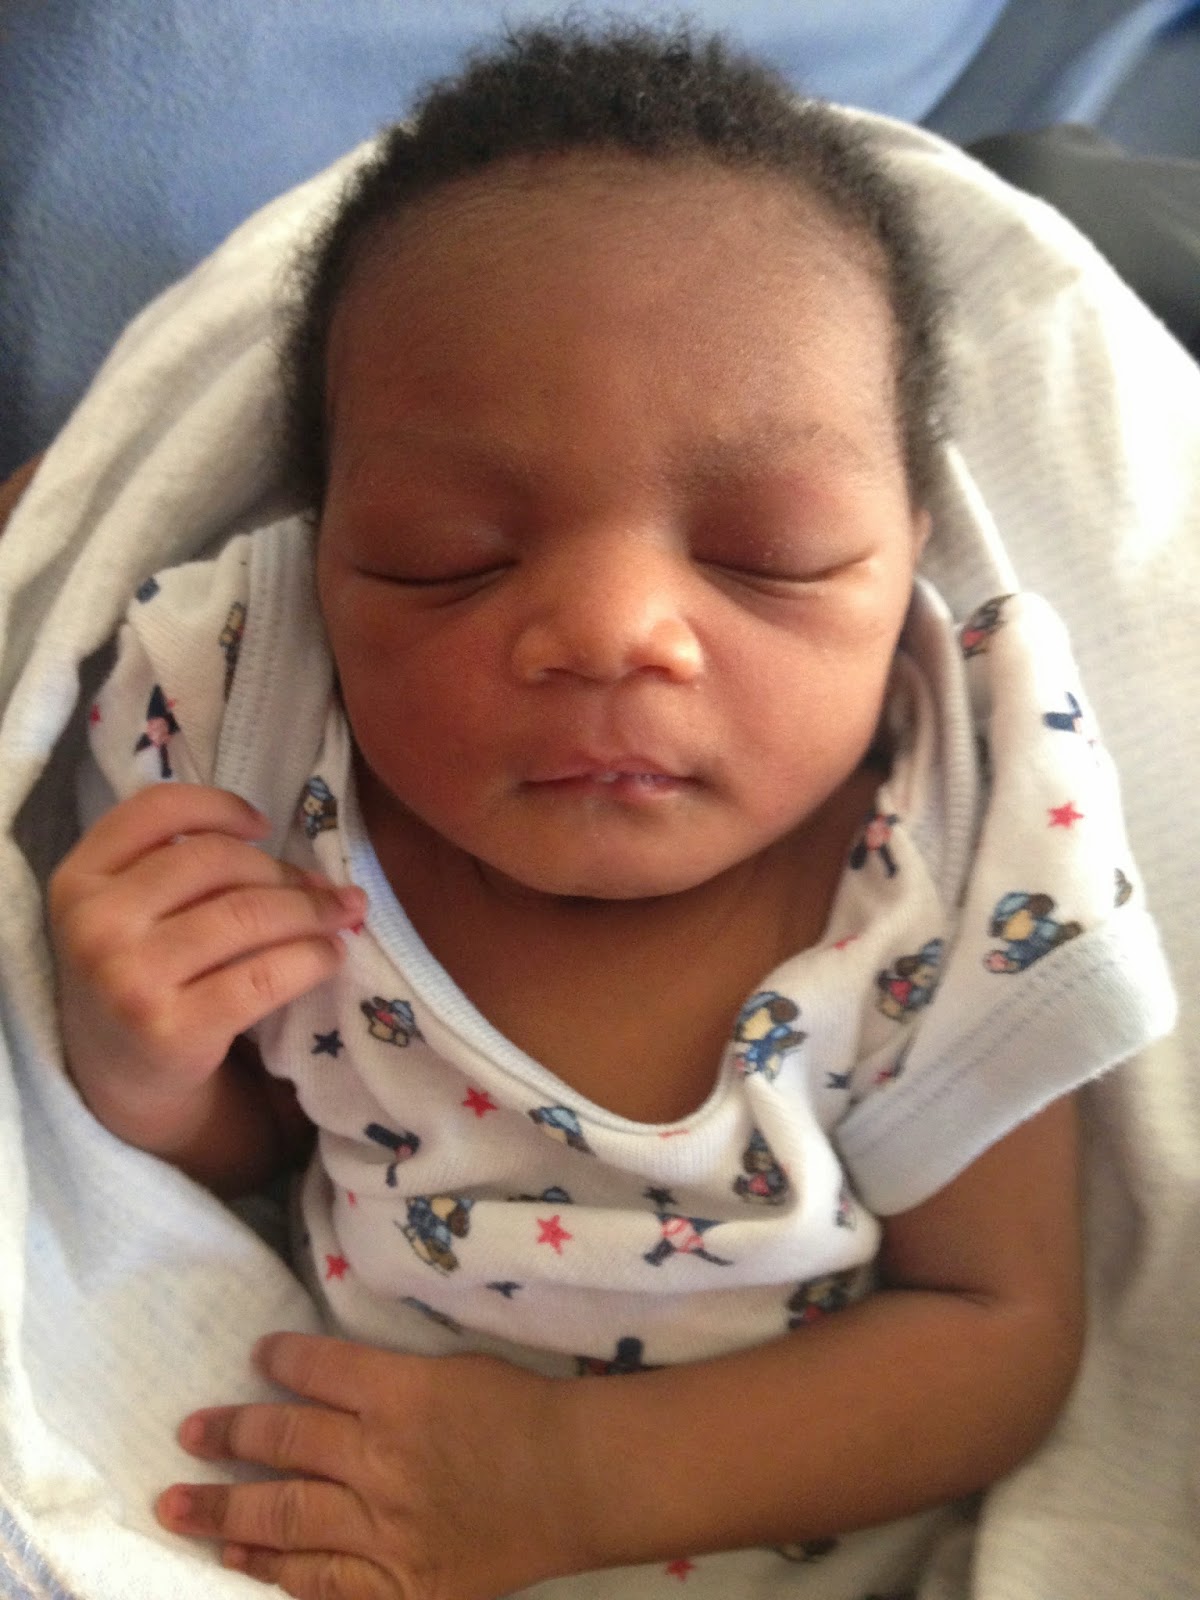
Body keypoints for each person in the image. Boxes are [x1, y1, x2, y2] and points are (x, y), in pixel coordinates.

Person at [45, 23, 1176, 1600]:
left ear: (907, 553)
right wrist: (143, 1066)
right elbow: (267, 1143)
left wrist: (559, 1478)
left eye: (770, 552)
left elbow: (995, 1333)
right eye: (448, 555)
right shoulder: (274, 766)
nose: (612, 631)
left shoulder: (931, 871)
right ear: (322, 556)